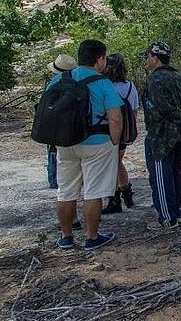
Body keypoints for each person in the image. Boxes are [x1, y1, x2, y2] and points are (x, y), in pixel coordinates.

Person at [49, 40, 123, 251]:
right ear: (100, 59)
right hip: (97, 143)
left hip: (66, 142)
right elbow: (115, 117)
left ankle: (66, 236)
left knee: (66, 191)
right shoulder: (103, 83)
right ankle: (92, 237)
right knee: (93, 192)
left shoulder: (59, 80)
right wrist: (115, 141)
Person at [142, 42, 181, 228]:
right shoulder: (179, 76)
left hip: (160, 135)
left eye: (148, 56)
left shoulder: (154, 79)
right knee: (175, 173)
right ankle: (176, 211)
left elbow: (163, 107)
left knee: (161, 176)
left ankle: (167, 217)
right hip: (179, 135)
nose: (146, 60)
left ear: (155, 57)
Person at [101, 53, 139, 214]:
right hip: (125, 131)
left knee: (111, 164)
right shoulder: (130, 86)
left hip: (106, 130)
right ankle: (126, 195)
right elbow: (135, 111)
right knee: (117, 162)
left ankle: (114, 199)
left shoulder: (104, 85)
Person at [45, 54, 77, 189]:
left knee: (53, 150)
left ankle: (54, 179)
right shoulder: (77, 81)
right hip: (72, 122)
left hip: (54, 121)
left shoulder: (53, 83)